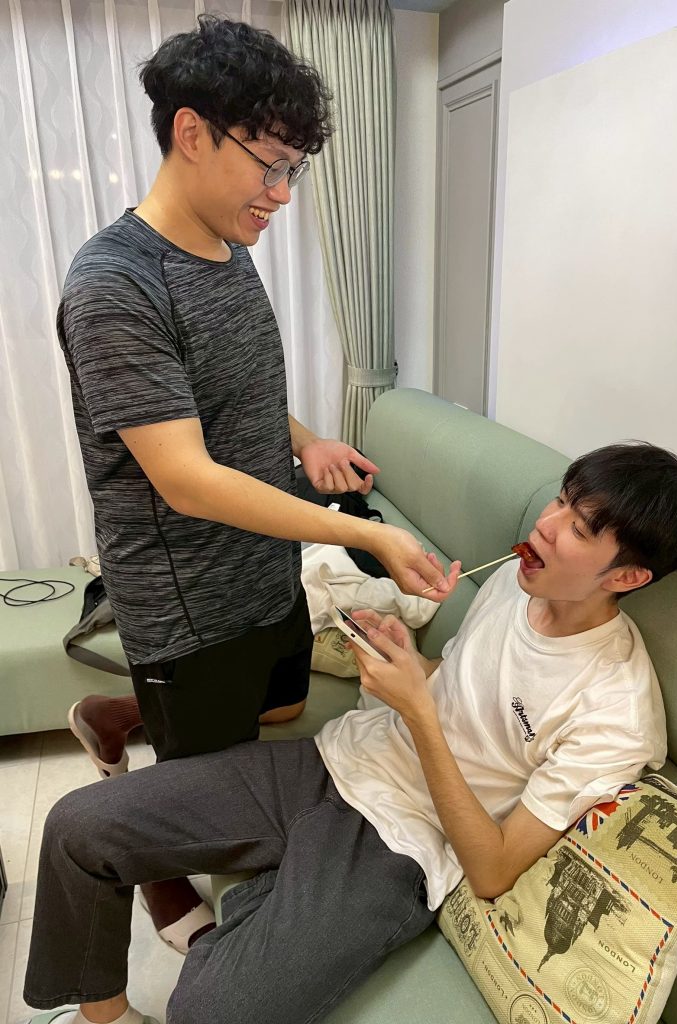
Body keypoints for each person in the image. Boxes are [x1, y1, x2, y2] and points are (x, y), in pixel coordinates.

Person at [23, 442, 677, 1024]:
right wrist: (402, 657)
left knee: (212, 1009)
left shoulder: (616, 712)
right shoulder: (518, 579)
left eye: (580, 528)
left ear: (628, 575)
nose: (547, 524)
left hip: (403, 845)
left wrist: (417, 712)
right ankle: (106, 1015)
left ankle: (249, 918)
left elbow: (493, 870)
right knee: (80, 827)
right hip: (335, 760)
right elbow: (457, 684)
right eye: (561, 500)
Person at [56, 15, 457, 952]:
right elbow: (187, 479)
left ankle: (116, 712)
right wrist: (365, 533)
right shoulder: (115, 284)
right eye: (269, 165)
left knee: (277, 709)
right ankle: (155, 880)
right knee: (200, 795)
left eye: (294, 171)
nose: (280, 194)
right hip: (186, 603)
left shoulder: (230, 246)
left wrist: (308, 442)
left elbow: (234, 392)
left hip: (266, 570)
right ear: (191, 132)